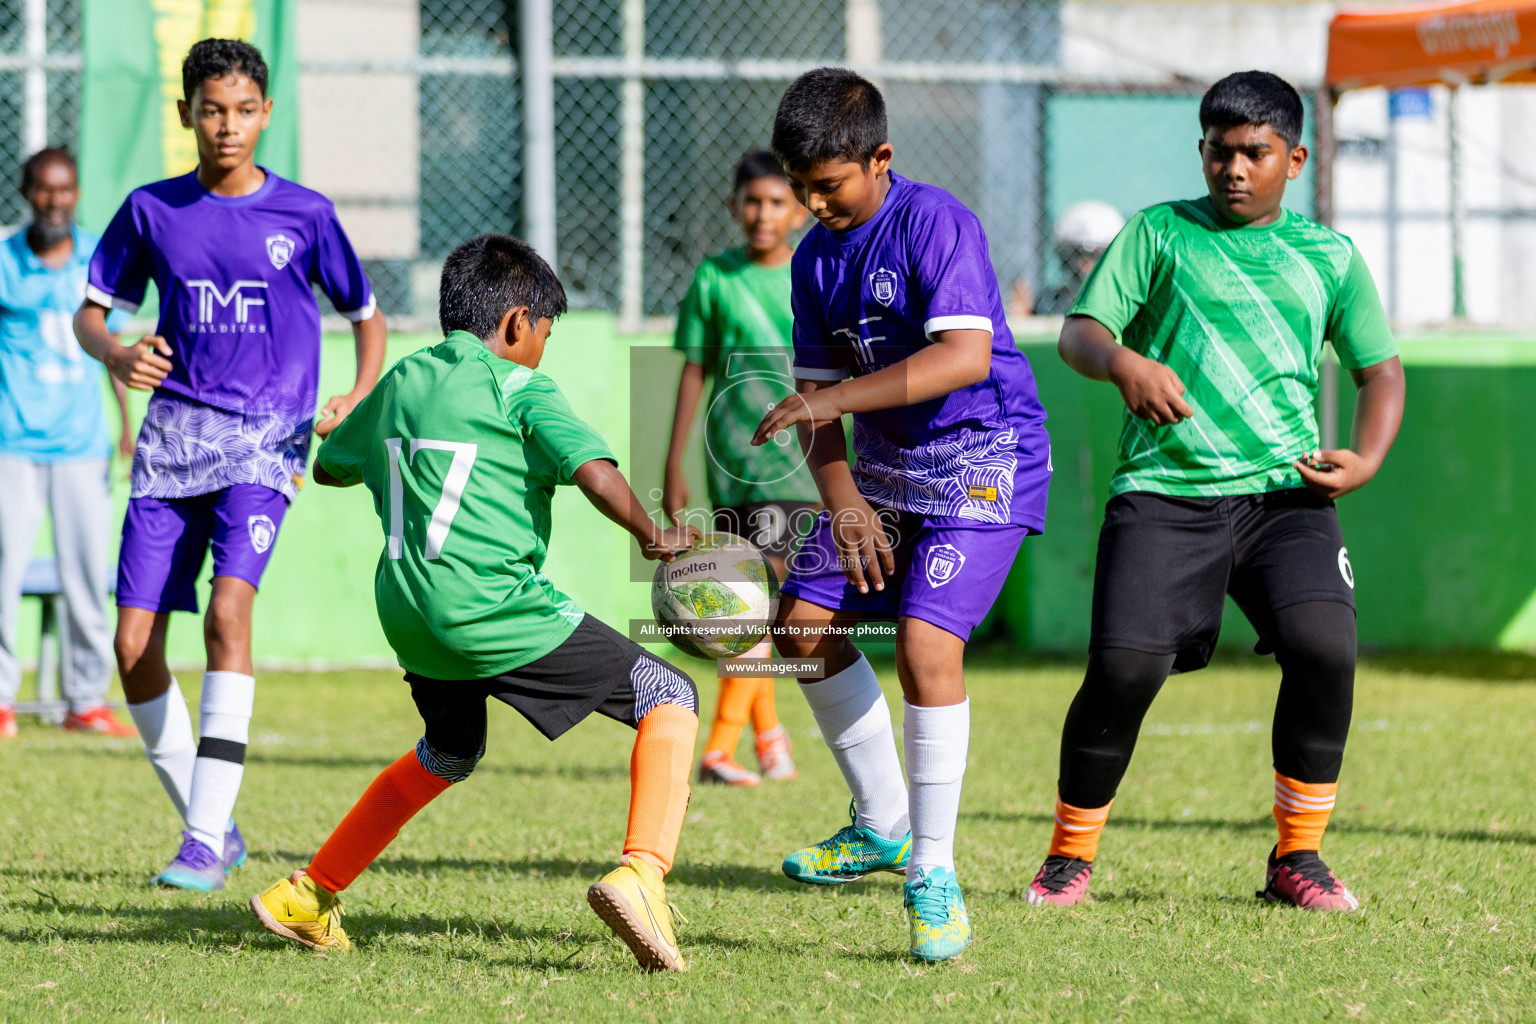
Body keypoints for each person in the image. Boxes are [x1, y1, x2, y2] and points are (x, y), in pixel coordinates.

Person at [248, 233, 702, 974]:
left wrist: (341, 424)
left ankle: (310, 894)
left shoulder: (402, 381)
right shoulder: (518, 385)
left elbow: (332, 469)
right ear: (519, 323)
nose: (542, 352)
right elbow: (591, 472)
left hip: (408, 613)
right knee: (667, 691)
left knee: (449, 750)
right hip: (489, 609)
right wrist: (654, 533)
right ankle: (643, 875)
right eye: (545, 336)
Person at [1024, 71, 1404, 913]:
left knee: (1325, 651)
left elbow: (1381, 372)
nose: (1235, 168)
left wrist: (1367, 458)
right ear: (1201, 150)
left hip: (1285, 500)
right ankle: (1068, 857)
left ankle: (1297, 859)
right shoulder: (1158, 234)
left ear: (1294, 158)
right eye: (1220, 151)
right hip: (1165, 492)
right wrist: (1124, 362)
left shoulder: (1329, 256)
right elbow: (1081, 334)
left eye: (1256, 153)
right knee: (1124, 671)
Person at [73, 38, 388, 891]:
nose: (228, 125)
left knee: (227, 614)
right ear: (185, 115)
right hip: (173, 441)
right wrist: (114, 352)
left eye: (245, 109)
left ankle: (202, 841)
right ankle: (213, 826)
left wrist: (355, 394)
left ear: (267, 114)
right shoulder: (150, 210)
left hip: (266, 439)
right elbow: (92, 313)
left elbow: (365, 315)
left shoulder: (307, 215)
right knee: (133, 644)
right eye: (212, 109)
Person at [754, 68, 1053, 962]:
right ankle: (880, 824)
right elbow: (817, 402)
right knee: (802, 628)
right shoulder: (814, 257)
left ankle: (932, 871)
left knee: (927, 645)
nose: (812, 203)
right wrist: (844, 504)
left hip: (982, 459)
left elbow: (964, 356)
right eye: (800, 186)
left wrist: (832, 399)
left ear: (880, 158)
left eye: (828, 185)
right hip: (884, 472)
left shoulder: (935, 223)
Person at [663, 150, 817, 787]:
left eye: (777, 201)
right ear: (734, 206)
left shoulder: (813, 272)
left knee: (756, 601)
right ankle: (770, 737)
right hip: (732, 469)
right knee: (760, 610)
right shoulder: (714, 279)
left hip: (802, 469)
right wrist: (673, 462)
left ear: (800, 210)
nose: (763, 213)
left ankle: (720, 748)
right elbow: (693, 369)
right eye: (752, 201)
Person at [0, 148, 135, 739]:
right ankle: (1, 700)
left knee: (85, 575)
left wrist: (126, 424)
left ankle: (85, 700)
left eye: (65, 189)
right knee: (4, 572)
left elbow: (113, 349)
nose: (55, 200)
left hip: (82, 446)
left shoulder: (96, 258)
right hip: (12, 444)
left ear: (77, 193)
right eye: (44, 189)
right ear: (27, 193)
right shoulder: (4, 261)